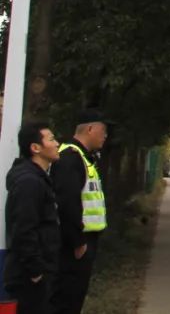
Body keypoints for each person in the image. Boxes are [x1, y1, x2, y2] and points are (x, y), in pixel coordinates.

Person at [51, 110, 109, 314]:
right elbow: (67, 203)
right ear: (90, 129)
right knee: (66, 299)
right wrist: (78, 242)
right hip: (75, 244)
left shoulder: (85, 157)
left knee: (75, 298)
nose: (105, 136)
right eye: (103, 131)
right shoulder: (70, 158)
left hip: (85, 240)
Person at [4, 122, 61, 314]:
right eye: (52, 139)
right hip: (29, 278)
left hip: (38, 274)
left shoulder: (39, 179)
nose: (57, 144)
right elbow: (23, 230)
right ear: (35, 148)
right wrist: (36, 271)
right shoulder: (29, 182)